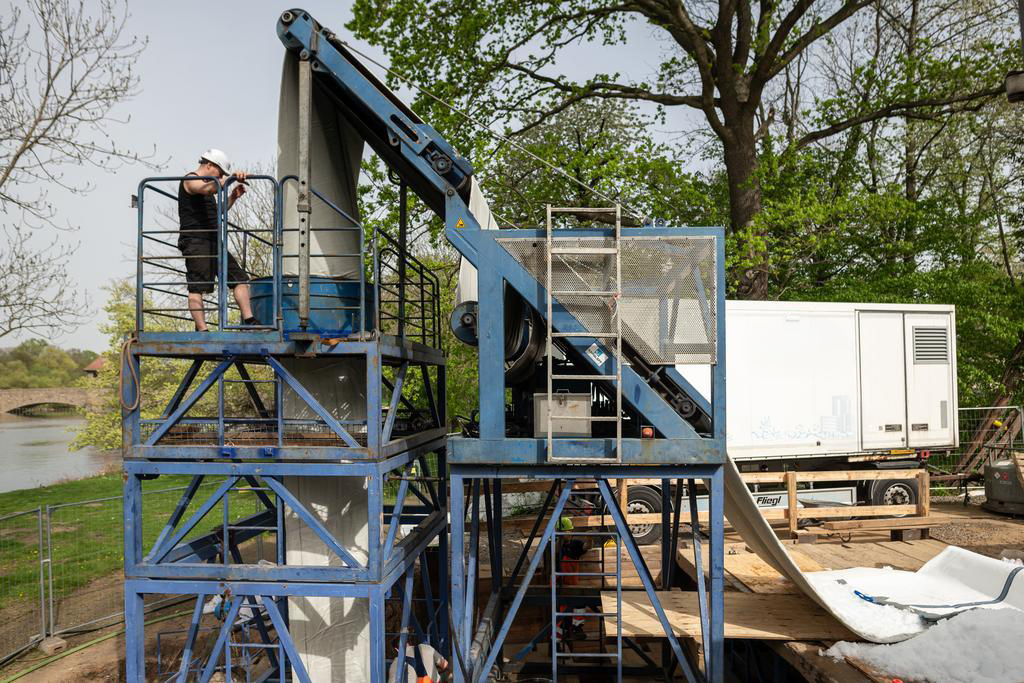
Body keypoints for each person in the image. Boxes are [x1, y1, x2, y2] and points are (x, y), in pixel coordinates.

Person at [177, 148, 258, 330]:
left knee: (238, 277)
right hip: (195, 240)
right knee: (197, 286)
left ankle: (249, 320)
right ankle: (202, 329)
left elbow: (217, 211)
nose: (220, 176)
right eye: (219, 172)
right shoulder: (191, 180)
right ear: (209, 165)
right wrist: (228, 180)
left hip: (214, 240)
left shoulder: (210, 186)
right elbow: (203, 188)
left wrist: (232, 197)